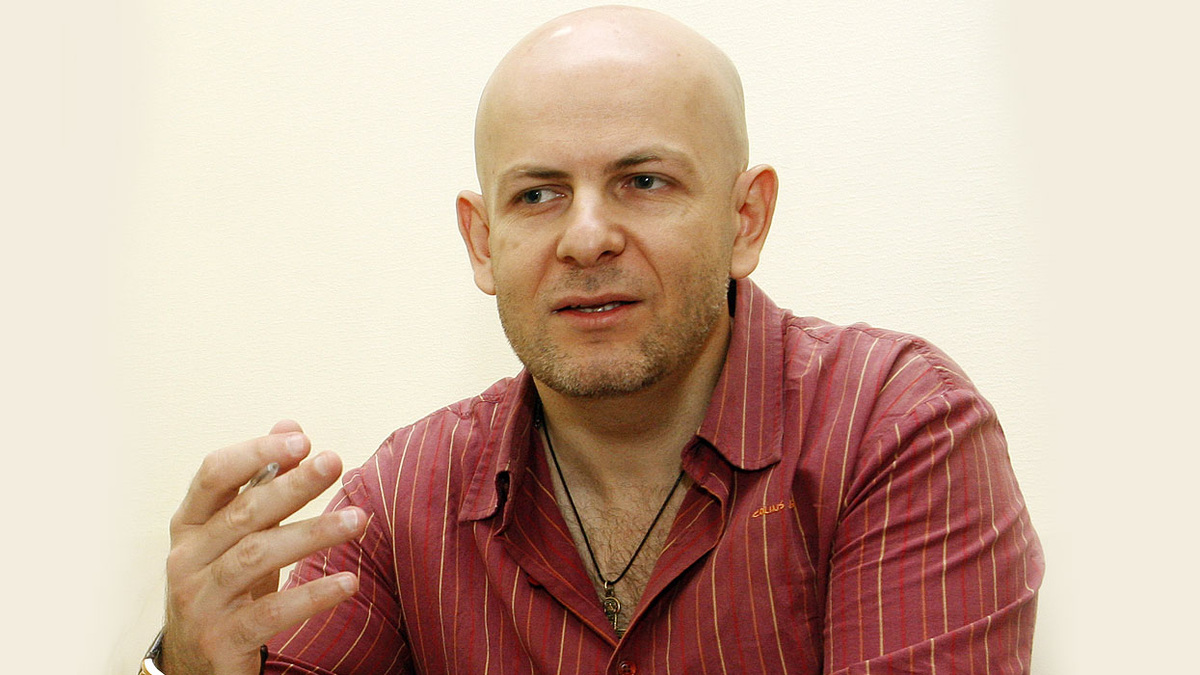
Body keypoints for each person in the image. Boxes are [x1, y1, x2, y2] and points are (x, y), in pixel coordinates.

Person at [153, 6, 1043, 675]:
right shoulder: (403, 501)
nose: (586, 238)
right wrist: (192, 666)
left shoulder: (893, 428)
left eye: (643, 181)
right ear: (482, 242)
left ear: (745, 218)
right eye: (538, 194)